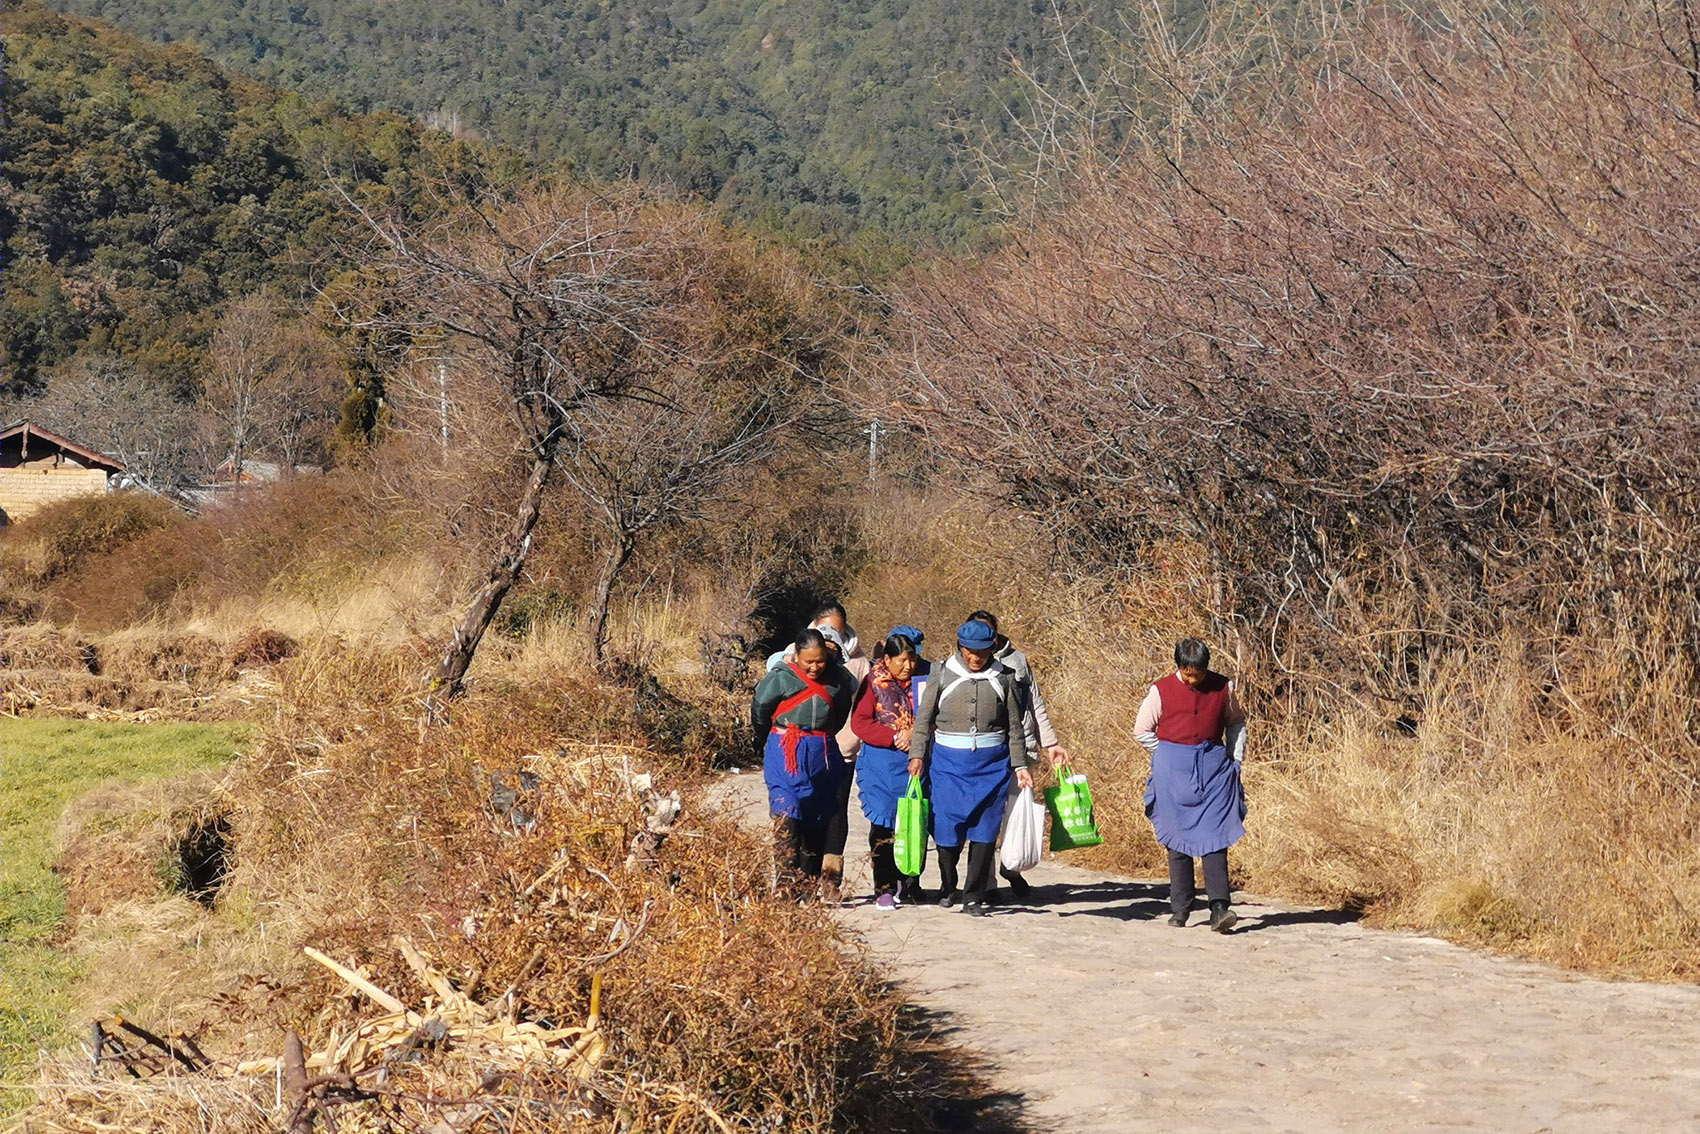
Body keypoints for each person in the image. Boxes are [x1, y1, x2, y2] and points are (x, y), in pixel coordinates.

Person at [911, 620, 1032, 916]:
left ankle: (973, 896)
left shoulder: (1005, 677)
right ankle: (948, 884)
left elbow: (1014, 727)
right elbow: (923, 719)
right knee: (946, 826)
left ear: (992, 648)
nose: (975, 659)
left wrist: (1020, 764)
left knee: (985, 829)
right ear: (960, 647)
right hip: (948, 764)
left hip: (992, 765)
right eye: (969, 652)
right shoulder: (940, 672)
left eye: (981, 652)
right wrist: (917, 755)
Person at [1135, 637, 1249, 933]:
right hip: (1172, 772)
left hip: (1214, 771)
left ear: (1206, 667)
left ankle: (1219, 908)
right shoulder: (1160, 691)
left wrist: (1235, 759)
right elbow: (1142, 729)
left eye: (1197, 673)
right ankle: (1180, 908)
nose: (1192, 678)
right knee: (1177, 840)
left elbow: (1236, 722)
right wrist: (1166, 755)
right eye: (1187, 673)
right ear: (1179, 667)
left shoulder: (1224, 687)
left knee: (1215, 838)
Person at [766, 601, 871, 903]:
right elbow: (766, 702)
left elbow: (854, 708)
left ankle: (828, 880)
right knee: (792, 814)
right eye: (823, 629)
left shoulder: (858, 662)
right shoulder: (791, 656)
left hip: (840, 749)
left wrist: (844, 738)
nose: (829, 636)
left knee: (833, 815)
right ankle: (793, 881)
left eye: (836, 630)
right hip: (795, 750)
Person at [965, 610, 1071, 901]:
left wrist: (1050, 744)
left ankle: (1011, 866)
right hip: (985, 753)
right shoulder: (963, 666)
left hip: (1021, 750)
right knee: (985, 817)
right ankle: (985, 884)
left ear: (996, 636)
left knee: (1016, 813)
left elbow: (1035, 704)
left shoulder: (1017, 661)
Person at [751, 628, 857, 899]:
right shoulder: (780, 678)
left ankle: (807, 886)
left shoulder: (838, 680)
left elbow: (841, 712)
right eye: (808, 661)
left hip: (821, 754)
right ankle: (786, 887)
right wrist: (767, 737)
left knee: (815, 818)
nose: (814, 667)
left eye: (819, 661)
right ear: (796, 655)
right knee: (786, 816)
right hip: (785, 751)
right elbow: (760, 709)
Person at [850, 631, 930, 909]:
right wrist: (894, 736)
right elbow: (860, 722)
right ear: (887, 659)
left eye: (913, 660)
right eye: (901, 661)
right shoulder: (873, 682)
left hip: (915, 763)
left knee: (914, 822)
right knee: (883, 825)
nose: (908, 666)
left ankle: (909, 882)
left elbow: (936, 718)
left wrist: (916, 734)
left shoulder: (926, 681)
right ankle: (883, 887)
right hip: (881, 765)